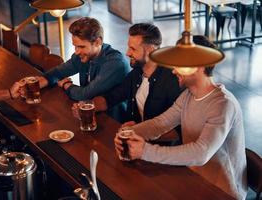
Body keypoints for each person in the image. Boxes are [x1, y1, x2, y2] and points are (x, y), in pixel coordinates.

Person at [115, 35, 247, 199]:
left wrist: (145, 151)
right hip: (194, 179)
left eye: (179, 65)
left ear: (198, 67)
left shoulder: (223, 105)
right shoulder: (188, 96)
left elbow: (201, 153)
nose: (173, 70)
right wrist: (130, 132)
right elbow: (160, 123)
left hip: (222, 191)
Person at [73, 23, 182, 133]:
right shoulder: (136, 74)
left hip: (158, 147)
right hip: (133, 138)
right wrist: (87, 106)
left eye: (133, 49)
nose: (127, 53)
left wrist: (139, 130)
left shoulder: (172, 81)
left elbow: (177, 132)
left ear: (151, 50)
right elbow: (111, 98)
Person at [38, 17, 129, 102]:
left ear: (98, 42)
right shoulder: (83, 55)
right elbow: (60, 71)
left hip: (111, 117)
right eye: (75, 46)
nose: (77, 52)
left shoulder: (114, 63)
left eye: (81, 47)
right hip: (87, 110)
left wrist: (67, 85)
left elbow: (85, 95)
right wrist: (41, 81)